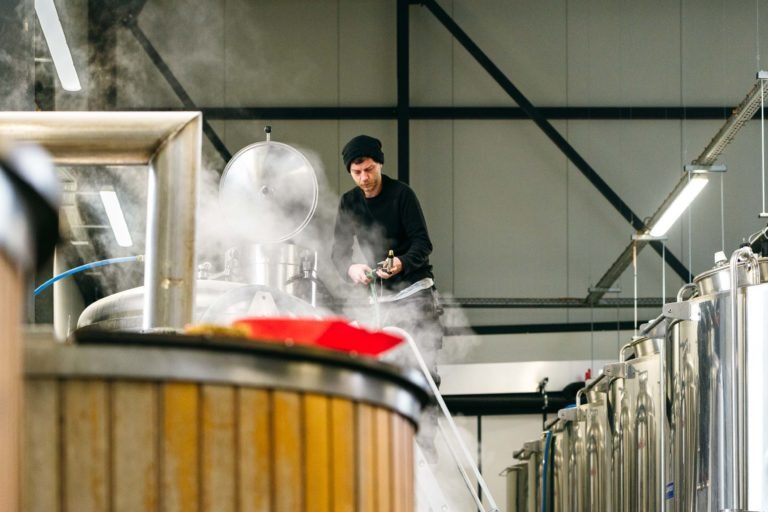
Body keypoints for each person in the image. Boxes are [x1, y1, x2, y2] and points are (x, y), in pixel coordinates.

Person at [331, 135, 443, 380]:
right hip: (379, 300)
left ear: (380, 164)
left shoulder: (403, 195)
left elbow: (423, 243)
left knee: (421, 370)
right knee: (384, 372)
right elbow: (338, 253)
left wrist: (401, 262)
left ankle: (427, 419)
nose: (364, 178)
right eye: (357, 172)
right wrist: (352, 269)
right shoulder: (349, 203)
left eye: (369, 169)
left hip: (415, 292)